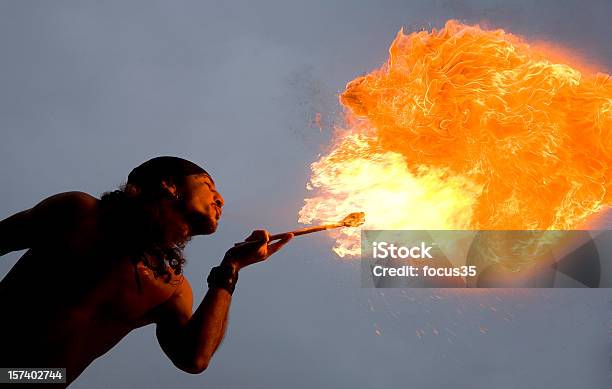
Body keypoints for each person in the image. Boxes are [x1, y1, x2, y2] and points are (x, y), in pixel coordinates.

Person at [0, 156, 293, 386]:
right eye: (209, 187)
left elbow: (194, 358)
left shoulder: (172, 288)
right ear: (169, 185)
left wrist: (230, 269)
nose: (221, 200)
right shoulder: (78, 213)